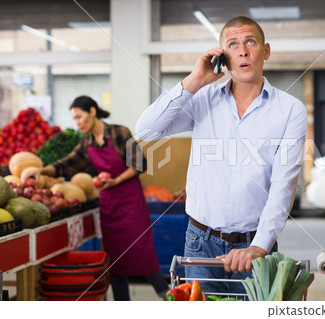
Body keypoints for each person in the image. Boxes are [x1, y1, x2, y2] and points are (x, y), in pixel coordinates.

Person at [135, 16, 307, 295]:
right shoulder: (202, 99)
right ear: (223, 57)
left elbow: (283, 184)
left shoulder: (290, 109)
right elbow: (147, 129)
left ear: (266, 51)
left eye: (251, 42)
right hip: (199, 241)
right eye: (233, 44)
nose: (243, 51)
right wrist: (195, 80)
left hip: (255, 245)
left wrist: (259, 246)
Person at [22, 96, 168, 301]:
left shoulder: (119, 132)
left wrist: (116, 181)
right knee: (116, 260)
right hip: (109, 207)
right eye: (74, 119)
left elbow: (139, 163)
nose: (77, 122)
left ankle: (170, 297)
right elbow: (66, 164)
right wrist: (41, 170)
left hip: (131, 202)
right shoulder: (86, 144)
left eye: (79, 117)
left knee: (142, 253)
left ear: (92, 111)